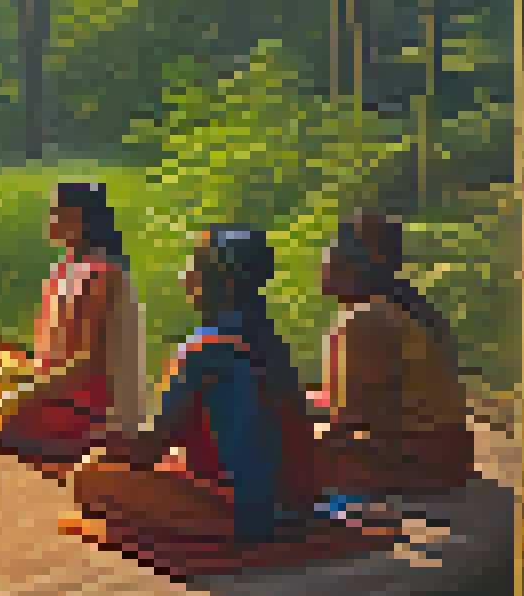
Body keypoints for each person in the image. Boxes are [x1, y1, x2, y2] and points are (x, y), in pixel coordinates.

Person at [66, 227, 389, 576]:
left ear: (221, 283)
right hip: (294, 505)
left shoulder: (202, 349)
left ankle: (217, 524)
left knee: (89, 475)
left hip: (242, 515)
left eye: (194, 268)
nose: (185, 277)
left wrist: (108, 440)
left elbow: (149, 451)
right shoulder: (272, 342)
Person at [0, 182, 148, 479]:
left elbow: (89, 363)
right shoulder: (63, 269)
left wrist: (26, 389)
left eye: (58, 213)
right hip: (60, 391)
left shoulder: (104, 273)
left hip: (96, 410)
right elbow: (52, 355)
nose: (50, 220)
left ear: (81, 220)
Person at [309, 214, 477, 498]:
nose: (327, 258)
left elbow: (356, 418)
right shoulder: (403, 306)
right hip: (444, 458)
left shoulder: (369, 317)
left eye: (338, 248)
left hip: (420, 463)